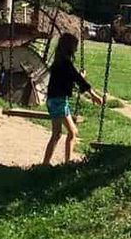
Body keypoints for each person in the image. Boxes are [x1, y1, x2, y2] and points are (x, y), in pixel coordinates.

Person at [43, 32, 102, 166]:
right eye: (75, 46)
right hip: (58, 101)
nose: (76, 49)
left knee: (71, 132)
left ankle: (64, 162)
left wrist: (79, 77)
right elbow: (78, 80)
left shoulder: (59, 62)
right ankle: (48, 164)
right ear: (69, 47)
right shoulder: (65, 63)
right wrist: (93, 95)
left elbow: (70, 79)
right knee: (58, 134)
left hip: (55, 100)